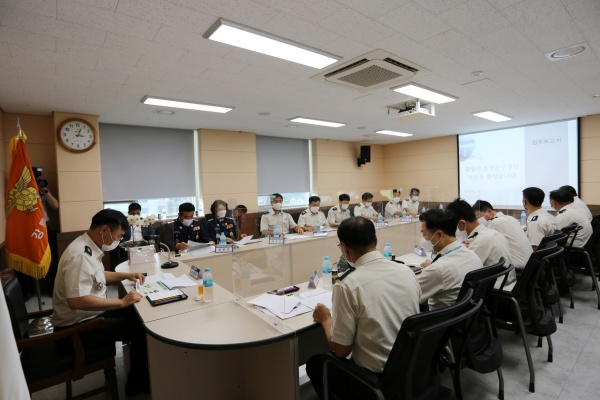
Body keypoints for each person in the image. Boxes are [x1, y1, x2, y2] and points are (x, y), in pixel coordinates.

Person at [306, 217, 421, 399]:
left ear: (344, 248)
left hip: (376, 380)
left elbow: (341, 351)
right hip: (412, 367)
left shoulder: (348, 285)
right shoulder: (406, 271)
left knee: (315, 363)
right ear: (376, 240)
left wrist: (326, 319)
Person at [51, 209, 149, 395]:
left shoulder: (87, 245)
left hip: (88, 317)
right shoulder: (79, 255)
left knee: (137, 314)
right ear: (104, 229)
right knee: (140, 329)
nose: (118, 241)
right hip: (75, 330)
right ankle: (138, 385)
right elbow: (77, 301)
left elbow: (98, 275)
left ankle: (141, 375)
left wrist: (127, 275)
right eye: (118, 236)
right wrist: (121, 302)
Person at [418, 209, 483, 310]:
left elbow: (409, 297)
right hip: (464, 318)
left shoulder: (438, 269)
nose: (423, 239)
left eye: (424, 234)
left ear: (439, 235)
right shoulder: (472, 255)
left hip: (437, 322)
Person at [446, 198, 515, 285]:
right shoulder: (491, 233)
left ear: (462, 223)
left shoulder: (480, 241)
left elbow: (462, 271)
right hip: (507, 282)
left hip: (495, 290)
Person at [472, 200, 533, 270]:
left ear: (489, 212)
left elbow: (483, 242)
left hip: (518, 269)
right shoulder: (510, 218)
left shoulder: (493, 223)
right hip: (530, 265)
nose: (478, 220)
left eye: (478, 216)